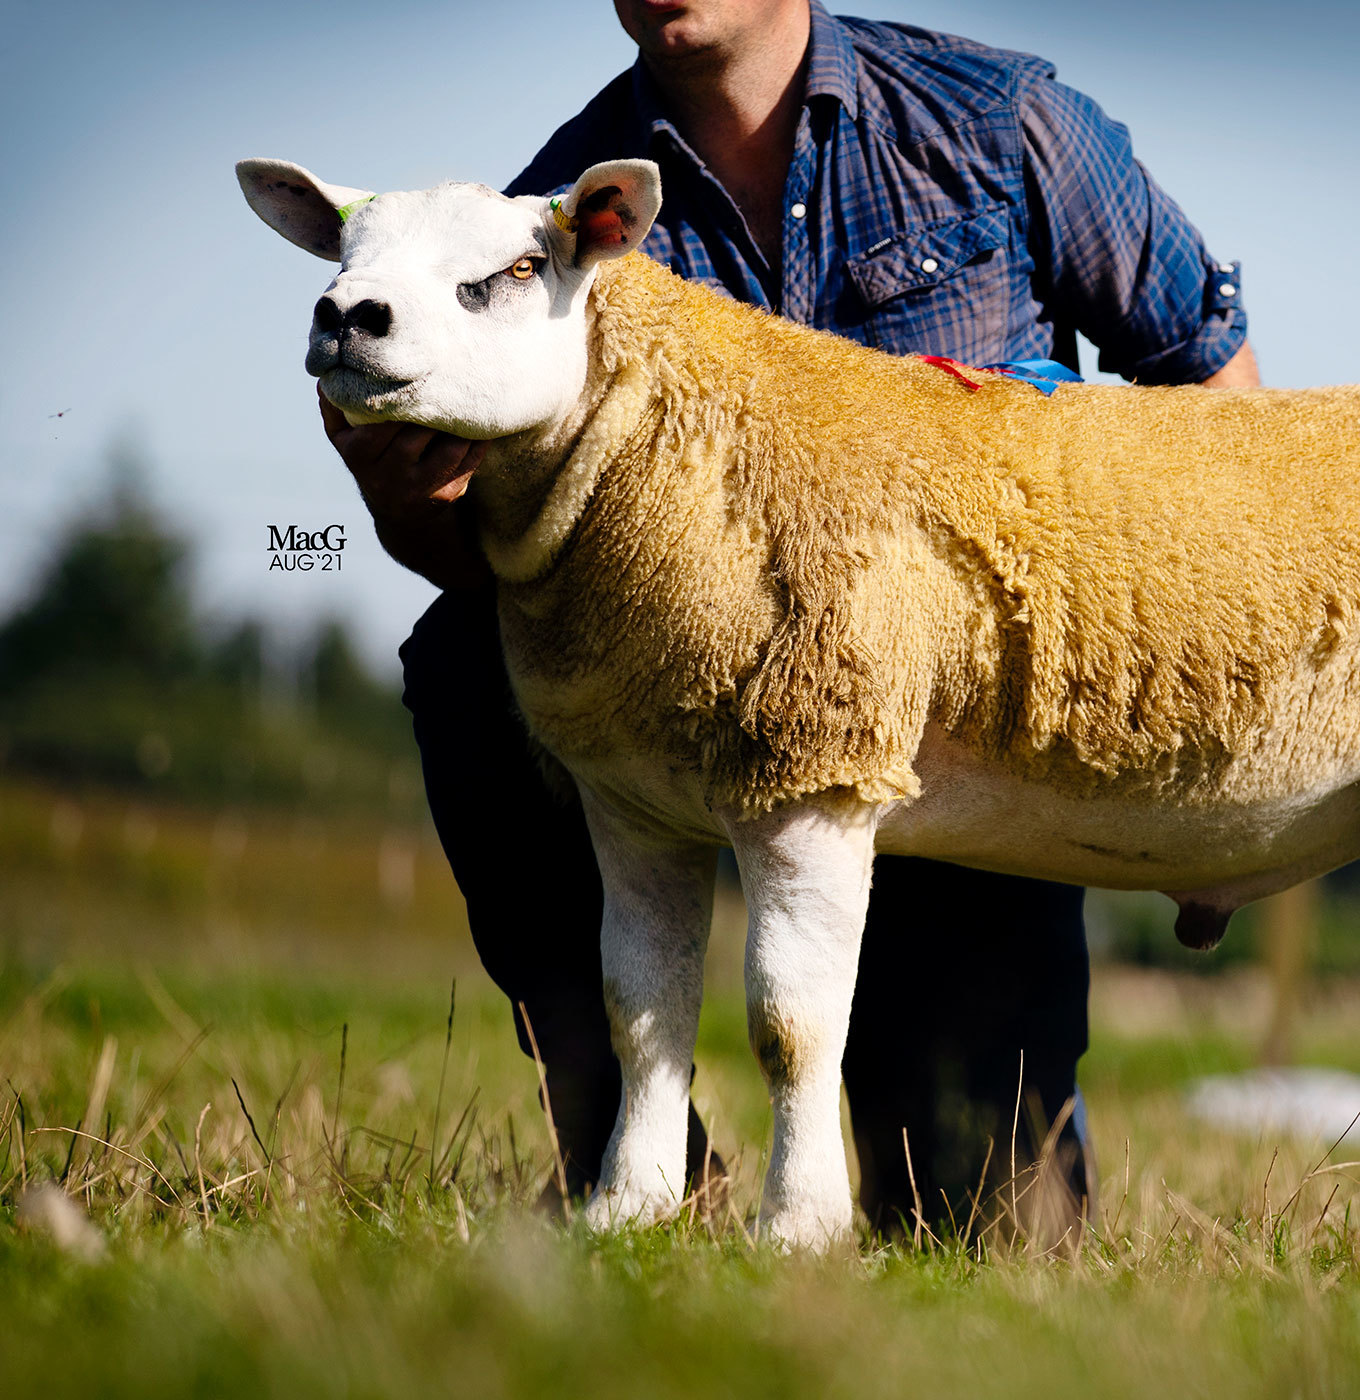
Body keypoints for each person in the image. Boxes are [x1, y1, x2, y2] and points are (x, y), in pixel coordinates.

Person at [323, 0, 1257, 1236]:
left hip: (969, 748)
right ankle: (637, 1160)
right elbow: (497, 556)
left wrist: (1214, 726)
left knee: (986, 1221)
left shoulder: (999, 124)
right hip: (688, 728)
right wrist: (395, 492)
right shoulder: (538, 226)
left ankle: (950, 1148)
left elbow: (1216, 391)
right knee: (466, 663)